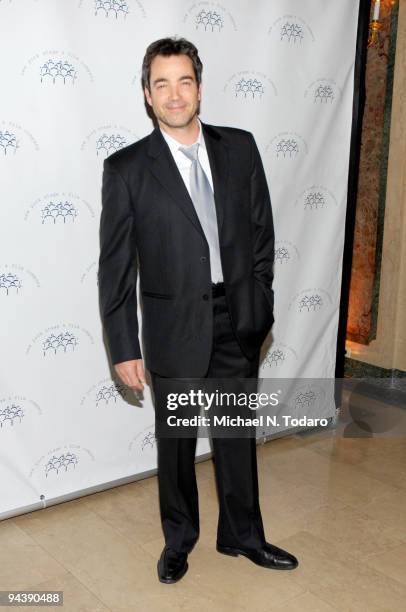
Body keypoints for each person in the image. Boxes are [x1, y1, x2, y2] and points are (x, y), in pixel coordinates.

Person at [98, 36, 298, 584]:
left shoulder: (241, 148)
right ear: (147, 95)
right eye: (161, 83)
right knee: (178, 444)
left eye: (184, 80)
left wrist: (258, 301)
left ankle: (242, 535)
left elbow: (262, 235)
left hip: (236, 318)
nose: (174, 93)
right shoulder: (127, 169)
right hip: (171, 328)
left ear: (200, 87)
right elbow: (115, 269)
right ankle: (178, 541)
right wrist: (123, 347)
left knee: (235, 434)